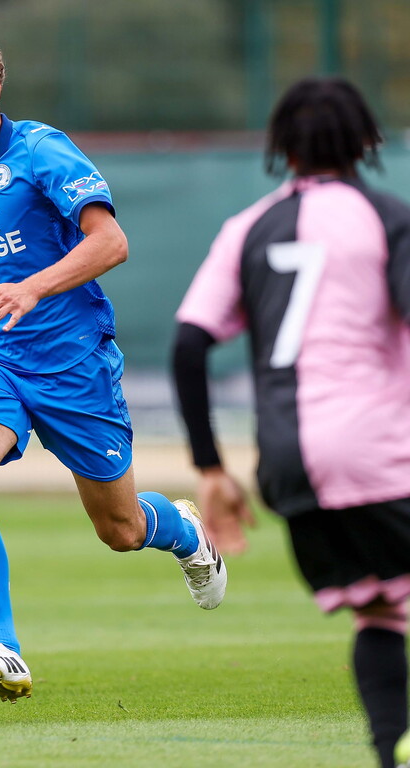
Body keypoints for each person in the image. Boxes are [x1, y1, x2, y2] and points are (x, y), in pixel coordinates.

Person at [0, 30, 227, 703]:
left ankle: (183, 530)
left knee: (121, 529)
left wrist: (34, 287)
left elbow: (112, 242)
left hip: (74, 363)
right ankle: (3, 649)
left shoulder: (42, 151)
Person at [172, 77, 410, 768]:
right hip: (379, 451)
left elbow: (189, 343)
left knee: (381, 610)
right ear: (368, 140)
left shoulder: (247, 227)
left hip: (288, 465)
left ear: (280, 148)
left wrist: (212, 469)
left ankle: (389, 750)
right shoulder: (386, 217)